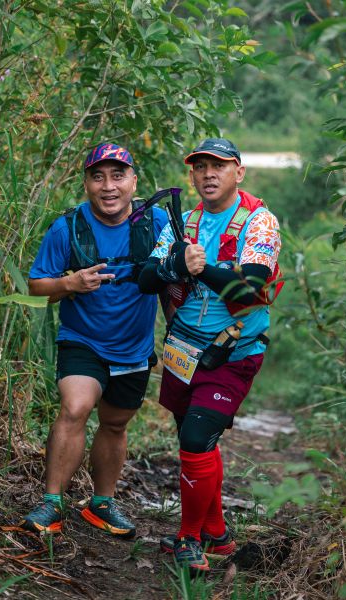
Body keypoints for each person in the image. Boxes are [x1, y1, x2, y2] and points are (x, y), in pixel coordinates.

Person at [138, 138, 282, 571]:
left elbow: (250, 286)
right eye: (200, 167)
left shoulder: (259, 221)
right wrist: (175, 266)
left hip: (232, 351)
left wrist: (199, 268)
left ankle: (188, 538)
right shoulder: (184, 222)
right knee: (195, 439)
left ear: (239, 172)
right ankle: (217, 535)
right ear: (192, 176)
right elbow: (147, 278)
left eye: (218, 166)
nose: (208, 174)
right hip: (183, 348)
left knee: (196, 436)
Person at [20, 142, 168, 537]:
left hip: (134, 348)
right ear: (86, 183)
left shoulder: (156, 224)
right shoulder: (67, 227)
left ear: (133, 181)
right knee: (75, 407)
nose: (108, 186)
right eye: (98, 177)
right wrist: (69, 283)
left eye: (118, 176)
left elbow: (176, 277)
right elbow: (36, 287)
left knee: (115, 425)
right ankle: (52, 503)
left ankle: (101, 503)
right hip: (82, 340)